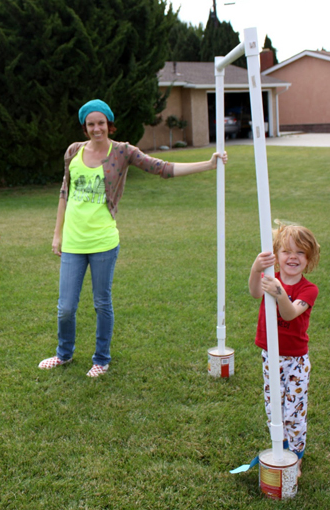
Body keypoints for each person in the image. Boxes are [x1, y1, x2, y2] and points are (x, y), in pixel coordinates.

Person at [38, 99, 228, 377]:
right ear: (84, 127)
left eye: (100, 122)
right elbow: (64, 193)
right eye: (90, 124)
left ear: (109, 124)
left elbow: (162, 168)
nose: (96, 128)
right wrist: (57, 235)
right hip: (74, 243)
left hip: (103, 242)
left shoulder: (123, 152)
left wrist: (208, 165)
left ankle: (101, 359)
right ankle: (63, 354)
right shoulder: (73, 152)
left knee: (102, 303)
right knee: (65, 307)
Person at [248, 223, 321, 476]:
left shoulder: (308, 289)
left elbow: (289, 314)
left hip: (296, 361)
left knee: (294, 412)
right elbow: (255, 292)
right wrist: (256, 269)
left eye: (300, 252)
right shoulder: (271, 278)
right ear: (276, 256)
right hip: (271, 356)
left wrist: (280, 295)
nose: (293, 257)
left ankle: (296, 456)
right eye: (287, 251)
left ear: (308, 258)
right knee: (274, 409)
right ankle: (282, 448)